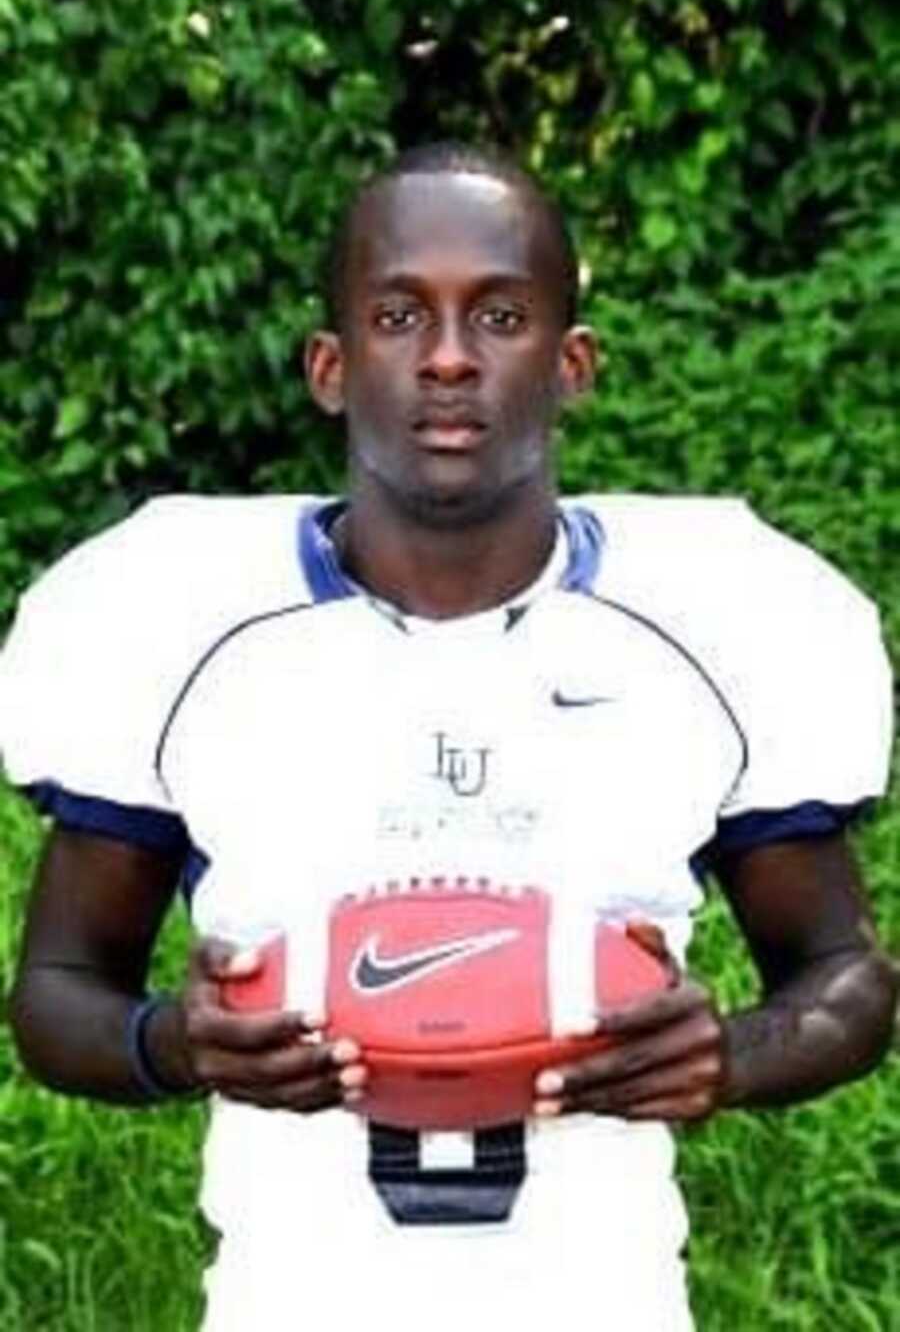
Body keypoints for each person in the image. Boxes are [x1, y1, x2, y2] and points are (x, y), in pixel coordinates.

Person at [3, 142, 896, 1332]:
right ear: (331, 365)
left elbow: (847, 977)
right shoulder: (179, 618)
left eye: (503, 315)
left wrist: (733, 1054)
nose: (448, 357)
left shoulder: (711, 620)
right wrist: (175, 1039)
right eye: (396, 314)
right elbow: (57, 994)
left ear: (572, 364)